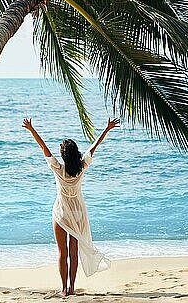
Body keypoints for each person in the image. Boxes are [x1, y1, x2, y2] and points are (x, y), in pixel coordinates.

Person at [22, 117, 120, 297]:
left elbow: (44, 148)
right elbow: (93, 147)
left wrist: (31, 130)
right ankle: (72, 287)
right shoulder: (82, 167)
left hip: (61, 212)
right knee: (73, 252)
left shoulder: (58, 169)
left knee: (62, 252)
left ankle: (64, 289)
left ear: (64, 156)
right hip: (77, 213)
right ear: (76, 154)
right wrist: (107, 129)